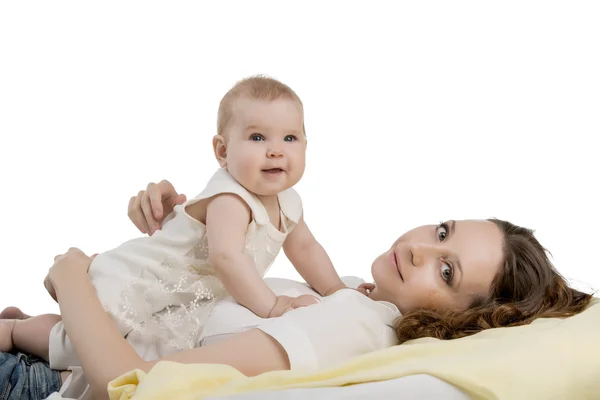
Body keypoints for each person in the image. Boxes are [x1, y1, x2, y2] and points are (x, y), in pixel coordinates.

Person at [1, 195, 592, 399]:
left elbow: (125, 383)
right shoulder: (352, 299)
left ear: (463, 324)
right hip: (45, 359)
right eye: (441, 233)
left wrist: (72, 272)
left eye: (445, 270)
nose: (418, 251)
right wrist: (192, 217)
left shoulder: (355, 327)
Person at [0, 75, 357, 374]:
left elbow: (306, 249)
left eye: (290, 138)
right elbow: (226, 256)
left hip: (172, 294)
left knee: (107, 339)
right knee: (78, 343)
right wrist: (272, 307)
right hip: (138, 279)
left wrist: (338, 290)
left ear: (306, 146)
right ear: (222, 151)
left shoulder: (289, 202)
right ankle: (16, 331)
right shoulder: (230, 199)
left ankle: (26, 318)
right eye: (258, 137)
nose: (276, 150)